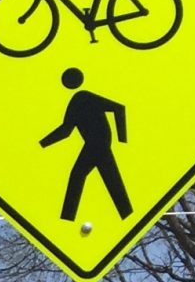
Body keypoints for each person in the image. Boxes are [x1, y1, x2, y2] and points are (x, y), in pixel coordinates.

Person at [41, 67, 129, 222]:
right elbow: (66, 130)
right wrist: (42, 144)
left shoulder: (83, 97)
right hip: (95, 144)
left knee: (79, 175)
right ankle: (126, 213)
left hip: (98, 143)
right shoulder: (76, 100)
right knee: (111, 181)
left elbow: (118, 108)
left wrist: (122, 139)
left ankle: (67, 218)